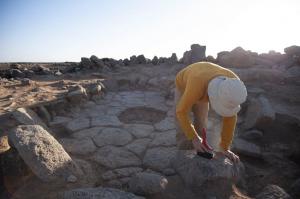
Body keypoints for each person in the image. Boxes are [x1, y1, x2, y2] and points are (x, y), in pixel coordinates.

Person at [175, 62, 247, 163]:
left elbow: (230, 117)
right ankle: (183, 155)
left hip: (202, 82)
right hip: (185, 83)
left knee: (201, 120)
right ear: (213, 94)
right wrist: (193, 138)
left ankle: (200, 148)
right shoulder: (197, 83)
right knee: (182, 125)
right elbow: (181, 112)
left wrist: (225, 147)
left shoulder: (234, 85)